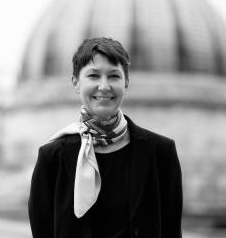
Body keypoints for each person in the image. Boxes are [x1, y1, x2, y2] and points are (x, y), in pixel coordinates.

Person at [28, 37, 182, 238]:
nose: (104, 86)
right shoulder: (51, 158)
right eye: (93, 75)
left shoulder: (161, 153)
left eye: (113, 76)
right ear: (75, 83)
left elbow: (171, 230)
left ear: (126, 83)